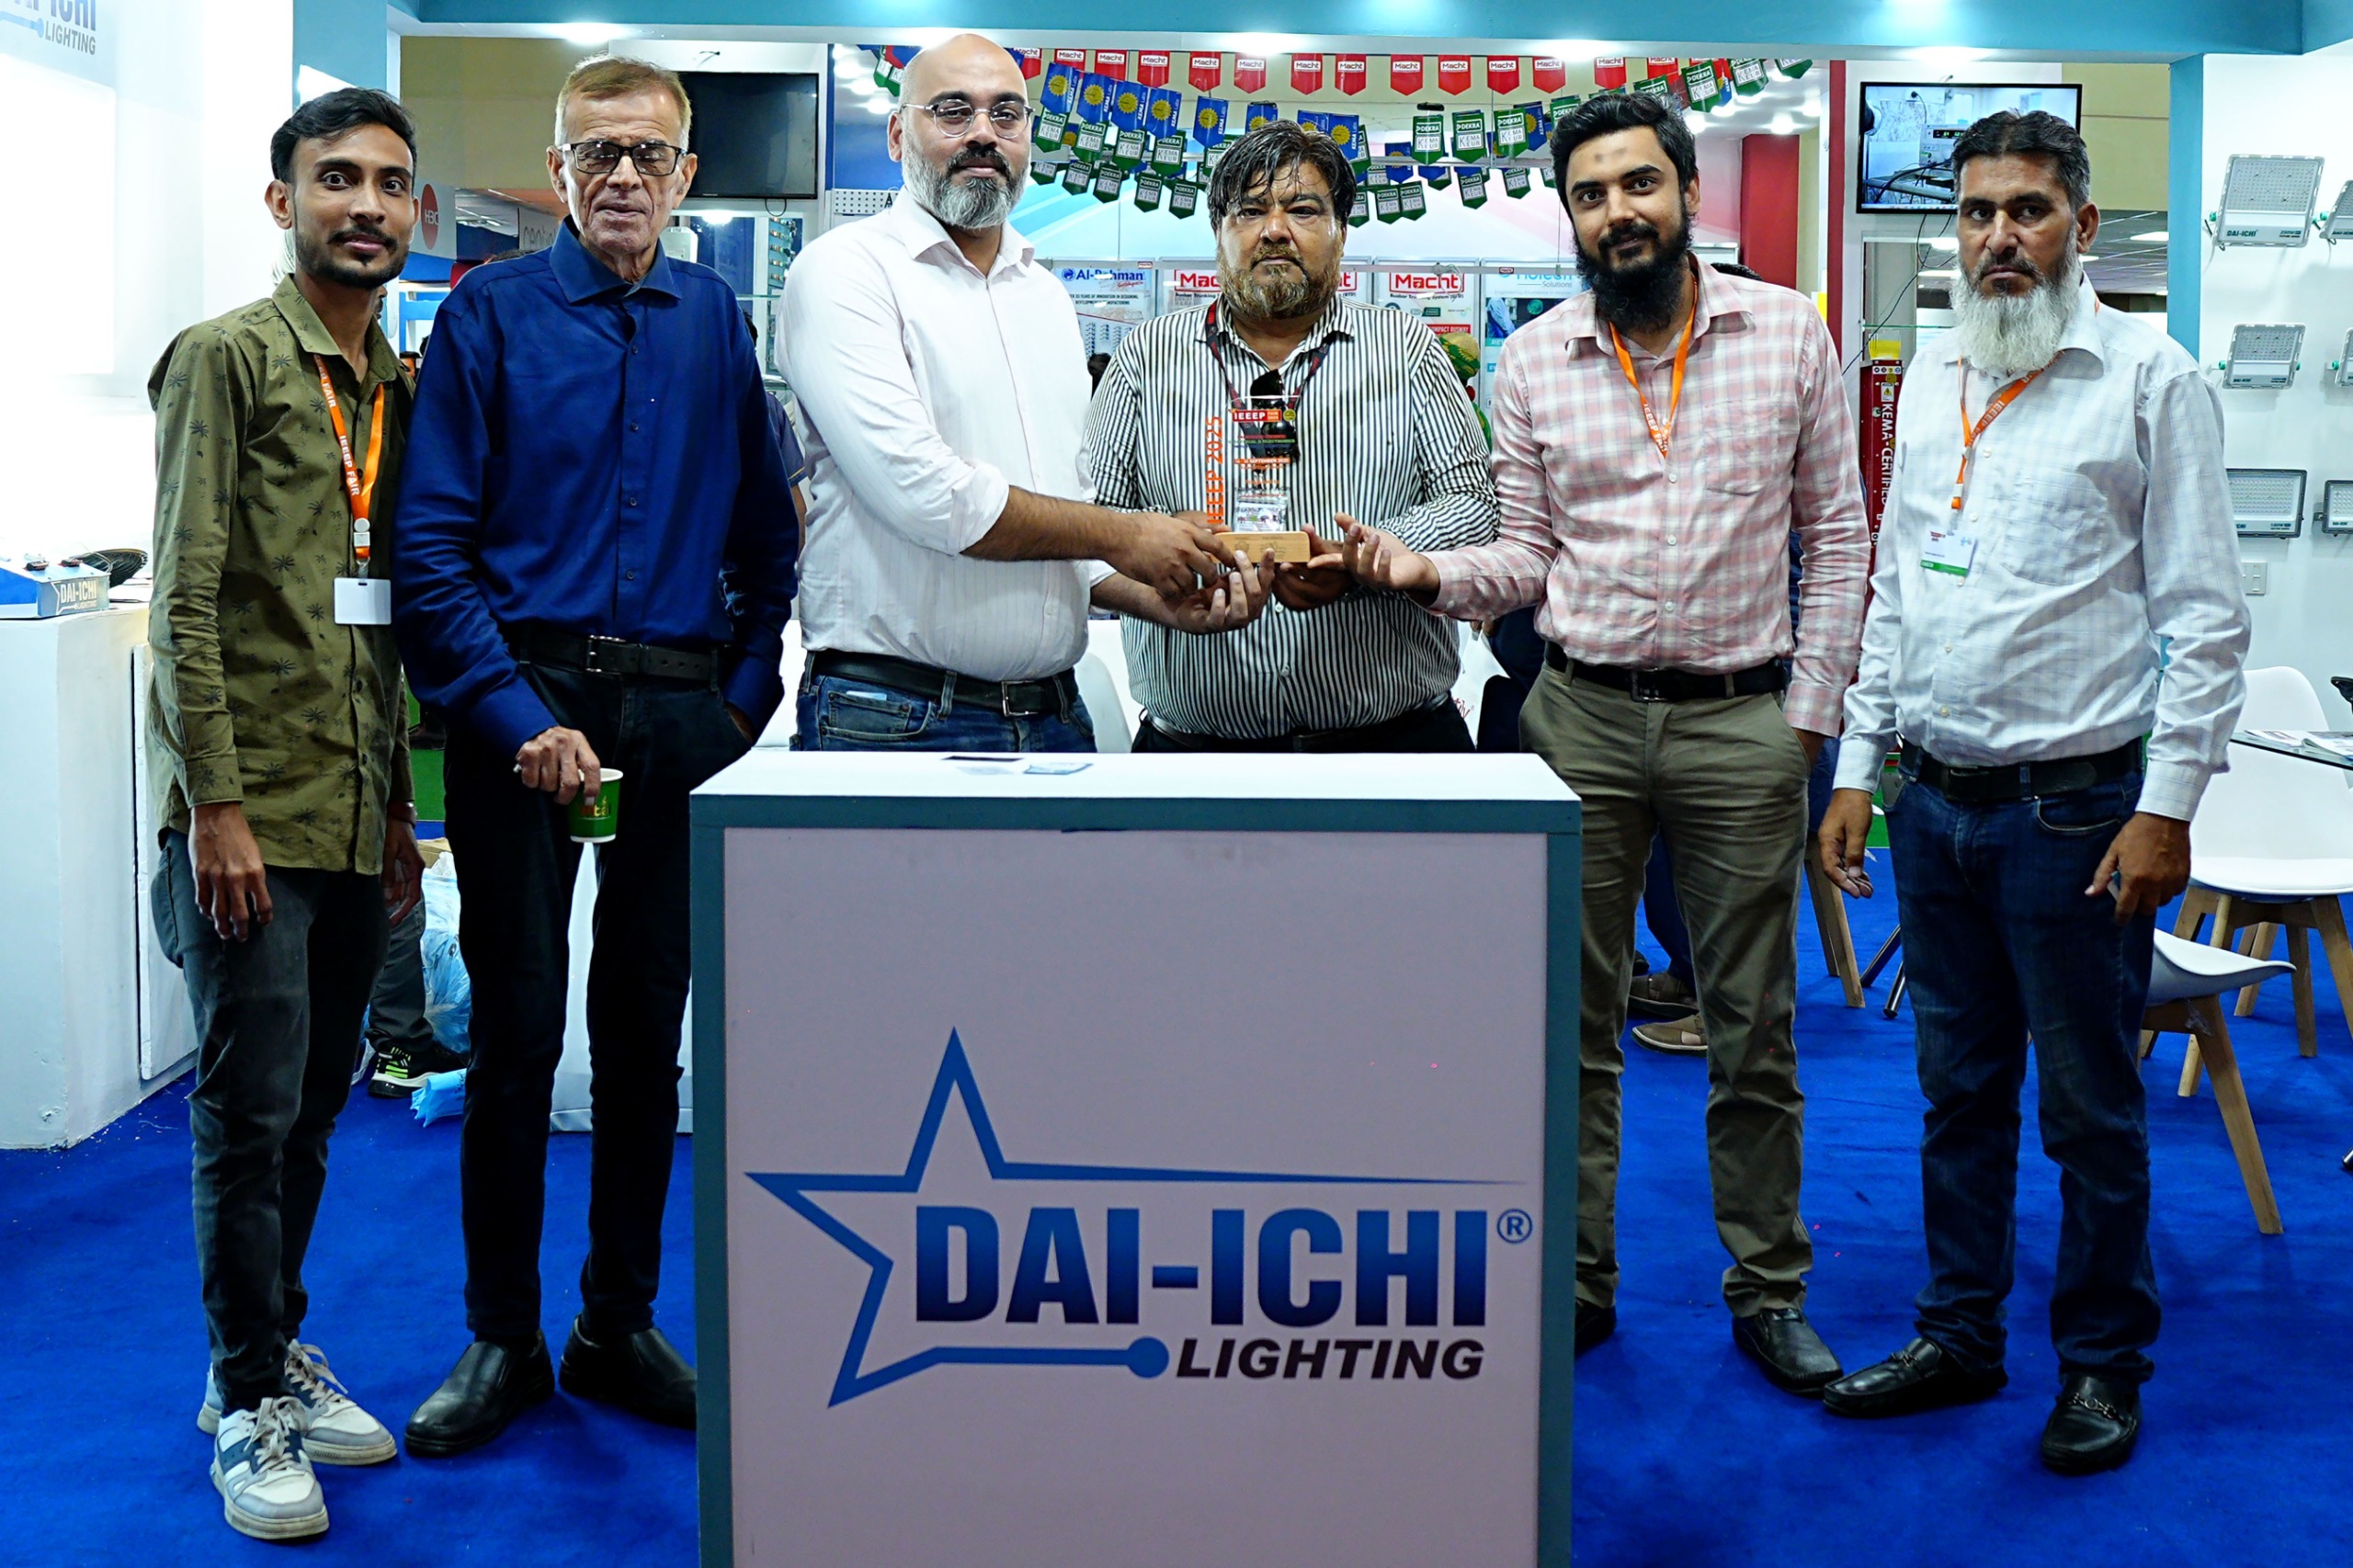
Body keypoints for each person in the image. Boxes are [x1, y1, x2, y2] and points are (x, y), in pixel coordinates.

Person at [1338, 91, 1870, 1393]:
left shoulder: (1788, 335)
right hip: (1575, 719)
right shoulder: (1533, 360)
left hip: (1743, 722)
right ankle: (1574, 1283)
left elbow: (1839, 537)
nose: (1618, 212)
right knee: (1568, 1027)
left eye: (1638, 184)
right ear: (1570, 216)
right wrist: (1423, 571)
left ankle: (1769, 1286)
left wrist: (1807, 721)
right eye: (1590, 194)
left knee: (1753, 1029)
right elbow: (1524, 554)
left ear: (1684, 190)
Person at [1816, 111, 2250, 1474]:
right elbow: (1896, 589)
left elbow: (2206, 618)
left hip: (2077, 813)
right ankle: (1960, 1334)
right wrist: (1859, 765)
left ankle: (2103, 1362)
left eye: (2028, 210)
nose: (1999, 236)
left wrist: (2167, 806)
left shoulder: (2151, 380)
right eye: (1977, 213)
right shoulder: (1937, 372)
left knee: (2088, 1109)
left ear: (2083, 227)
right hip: (1933, 807)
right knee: (1956, 1093)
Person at [391, 53, 798, 1457]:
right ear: (558, 171)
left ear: (688, 176)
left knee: (643, 1034)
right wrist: (518, 718)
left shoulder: (714, 321)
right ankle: (502, 1334)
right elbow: (429, 549)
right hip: (525, 707)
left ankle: (613, 1321)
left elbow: (767, 538)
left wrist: (737, 701)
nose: (623, 176)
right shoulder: (489, 315)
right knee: (515, 1033)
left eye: (649, 154)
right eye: (597, 153)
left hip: (679, 717)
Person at [146, 86, 425, 1542]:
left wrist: (397, 811)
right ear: (284, 202)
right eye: (336, 180)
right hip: (249, 817)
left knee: (313, 1108)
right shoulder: (228, 360)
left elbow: (377, 622)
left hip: (351, 810)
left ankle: (268, 1345)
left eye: (388, 182)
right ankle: (244, 1391)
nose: (365, 205)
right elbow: (185, 600)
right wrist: (215, 803)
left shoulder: (398, 387)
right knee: (246, 1114)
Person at [781, 33, 1233, 753]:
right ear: (898, 134)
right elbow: (929, 496)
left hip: (1053, 713)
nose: (983, 134)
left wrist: (1156, 599)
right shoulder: (845, 272)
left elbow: (1061, 517)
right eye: (953, 111)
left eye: (1006, 113)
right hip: (894, 717)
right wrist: (1129, 535)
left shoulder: (1043, 295)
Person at [1085, 120, 1498, 751]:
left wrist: (1368, 561)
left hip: (1397, 749)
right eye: (1250, 210)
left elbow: (1474, 507)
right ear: (1219, 231)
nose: (1275, 229)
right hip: (1194, 756)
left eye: (1303, 210)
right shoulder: (1146, 357)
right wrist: (1163, 575)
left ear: (1341, 233)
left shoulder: (1407, 348)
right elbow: (1092, 530)